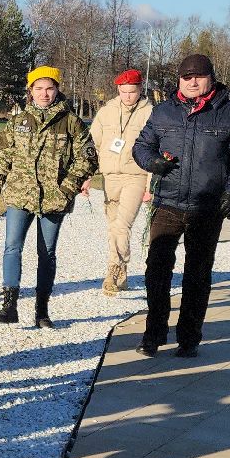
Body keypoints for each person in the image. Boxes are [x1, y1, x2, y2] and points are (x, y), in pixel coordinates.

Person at [131, 54, 230, 356]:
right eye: (186, 76)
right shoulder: (164, 112)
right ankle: (154, 333)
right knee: (157, 271)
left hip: (207, 206)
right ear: (179, 80)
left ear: (211, 78)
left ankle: (189, 337)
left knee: (198, 275)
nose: (192, 81)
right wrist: (152, 162)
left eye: (198, 76)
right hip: (167, 203)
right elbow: (141, 145)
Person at [0, 65, 97, 329]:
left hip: (54, 200)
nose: (44, 94)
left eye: (49, 88)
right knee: (12, 247)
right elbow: (4, 158)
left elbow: (87, 160)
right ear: (30, 91)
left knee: (47, 253)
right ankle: (9, 306)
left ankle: (42, 309)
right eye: (39, 89)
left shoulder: (72, 122)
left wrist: (67, 188)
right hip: (20, 195)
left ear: (57, 90)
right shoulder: (18, 122)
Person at [88, 68, 154, 295]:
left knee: (122, 224)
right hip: (109, 176)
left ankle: (112, 270)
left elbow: (156, 150)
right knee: (113, 226)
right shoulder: (107, 111)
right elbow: (93, 144)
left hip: (136, 175)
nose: (127, 96)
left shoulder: (150, 113)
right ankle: (121, 272)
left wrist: (150, 185)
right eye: (123, 91)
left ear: (140, 90)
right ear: (118, 89)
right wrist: (87, 176)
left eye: (132, 91)